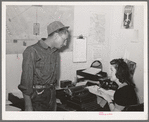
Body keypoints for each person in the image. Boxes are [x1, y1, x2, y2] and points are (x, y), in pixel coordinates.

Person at [18, 21, 69, 111]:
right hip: (37, 99)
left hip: (52, 97)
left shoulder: (55, 53)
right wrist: (28, 106)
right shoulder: (31, 51)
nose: (65, 44)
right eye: (64, 40)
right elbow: (26, 83)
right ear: (56, 36)